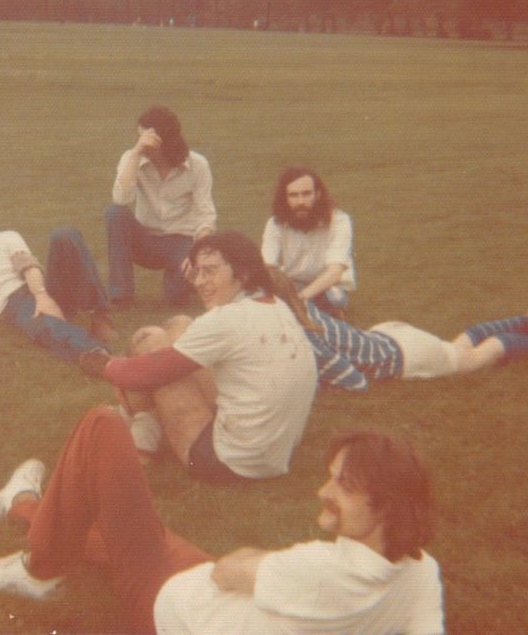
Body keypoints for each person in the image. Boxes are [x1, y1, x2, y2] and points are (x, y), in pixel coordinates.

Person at [0, 412, 443, 635]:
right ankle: (23, 502)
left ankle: (36, 568)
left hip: (169, 603)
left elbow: (225, 572)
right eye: (330, 479)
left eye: (342, 486)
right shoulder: (421, 571)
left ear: (387, 507)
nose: (323, 492)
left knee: (102, 429)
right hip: (201, 594)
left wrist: (263, 566)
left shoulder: (320, 569)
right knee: (109, 526)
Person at [81, 231, 318, 482]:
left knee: (150, 340)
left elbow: (148, 373)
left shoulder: (226, 319)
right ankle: (142, 421)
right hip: (275, 451)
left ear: (242, 273)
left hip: (227, 461)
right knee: (181, 325)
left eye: (211, 271)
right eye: (197, 272)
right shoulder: (274, 305)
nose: (200, 282)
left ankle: (144, 430)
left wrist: (102, 365)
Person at [0, 183, 116, 362]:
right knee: (44, 325)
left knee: (65, 235)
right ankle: (95, 354)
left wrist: (42, 297)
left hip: (38, 289)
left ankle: (101, 317)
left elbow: (28, 267)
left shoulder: (7, 238)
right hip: (10, 305)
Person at [293, 297, 528, 390]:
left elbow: (354, 380)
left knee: (471, 360)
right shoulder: (302, 304)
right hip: (388, 335)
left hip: (402, 355)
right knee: (456, 350)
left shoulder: (302, 334)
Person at [106, 106, 216, 308]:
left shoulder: (198, 164)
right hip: (145, 240)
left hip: (182, 242)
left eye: (145, 138)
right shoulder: (132, 158)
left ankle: (184, 280)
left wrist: (197, 253)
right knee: (115, 213)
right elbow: (121, 199)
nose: (141, 142)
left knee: (176, 299)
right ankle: (121, 295)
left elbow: (206, 215)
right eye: (139, 137)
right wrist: (137, 152)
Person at [261, 166, 355, 317]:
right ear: (285, 198)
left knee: (335, 300)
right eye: (293, 195)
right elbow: (268, 267)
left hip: (328, 285)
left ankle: (333, 318)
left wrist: (300, 299)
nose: (300, 201)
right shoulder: (275, 224)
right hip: (293, 283)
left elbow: (335, 272)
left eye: (306, 194)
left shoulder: (339, 221)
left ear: (317, 194)